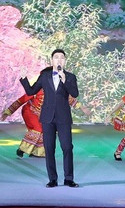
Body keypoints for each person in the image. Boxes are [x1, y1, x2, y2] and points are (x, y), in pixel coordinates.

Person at [20, 49, 80, 188]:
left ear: (65, 61)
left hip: (63, 117)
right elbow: (31, 91)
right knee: (49, 148)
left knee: (67, 147)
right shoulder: (45, 76)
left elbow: (75, 93)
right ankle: (52, 179)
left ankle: (69, 178)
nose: (59, 60)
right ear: (52, 60)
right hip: (47, 117)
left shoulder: (70, 77)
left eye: (62, 58)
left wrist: (65, 80)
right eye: (56, 57)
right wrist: (24, 79)